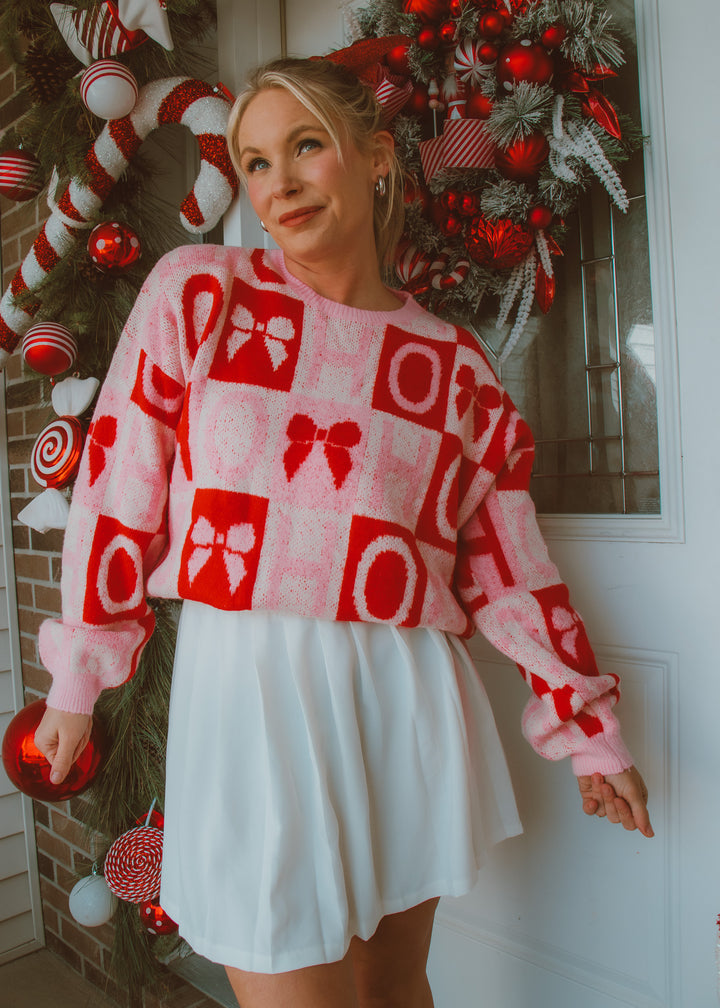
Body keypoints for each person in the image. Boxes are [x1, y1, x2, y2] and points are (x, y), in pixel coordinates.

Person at [34, 57, 653, 1008]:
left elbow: (510, 564)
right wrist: (76, 682)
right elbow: (119, 485)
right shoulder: (200, 294)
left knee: (395, 985)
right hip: (248, 697)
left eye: (305, 146)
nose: (277, 183)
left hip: (399, 690)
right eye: (253, 162)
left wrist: (589, 732)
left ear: (374, 159)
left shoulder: (450, 364)